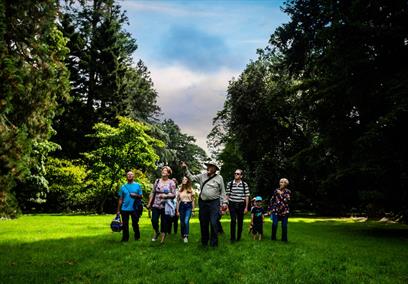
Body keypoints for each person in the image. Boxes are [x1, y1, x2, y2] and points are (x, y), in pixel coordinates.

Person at [181, 161, 227, 247]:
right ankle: (204, 242)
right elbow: (191, 177)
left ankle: (214, 244)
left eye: (211, 166)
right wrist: (185, 169)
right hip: (203, 203)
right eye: (208, 166)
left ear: (215, 169)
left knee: (214, 222)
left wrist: (224, 203)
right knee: (203, 223)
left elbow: (223, 191)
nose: (208, 167)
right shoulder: (202, 176)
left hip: (214, 203)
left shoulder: (219, 178)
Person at [147, 166, 176, 243]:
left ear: (169, 173)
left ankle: (162, 238)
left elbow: (174, 195)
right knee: (154, 220)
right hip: (156, 204)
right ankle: (157, 232)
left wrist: (166, 196)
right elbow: (153, 192)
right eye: (163, 170)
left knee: (164, 222)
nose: (163, 171)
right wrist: (149, 203)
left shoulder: (171, 182)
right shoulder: (157, 181)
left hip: (165, 205)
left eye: (165, 170)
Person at [116, 171, 143, 242]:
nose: (129, 176)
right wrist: (118, 210)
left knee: (135, 224)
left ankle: (137, 237)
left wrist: (136, 195)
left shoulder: (138, 185)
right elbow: (120, 199)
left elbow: (141, 196)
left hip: (134, 208)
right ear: (126, 177)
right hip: (124, 208)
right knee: (125, 224)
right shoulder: (123, 187)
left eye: (131, 174)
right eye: (128, 174)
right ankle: (125, 238)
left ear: (133, 176)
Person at [226, 169, 250, 242]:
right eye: (235, 173)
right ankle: (232, 238)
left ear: (241, 176)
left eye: (238, 174)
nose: (236, 174)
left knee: (240, 221)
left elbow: (247, 196)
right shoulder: (230, 184)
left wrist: (246, 207)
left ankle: (238, 237)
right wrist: (226, 206)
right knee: (233, 220)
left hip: (241, 205)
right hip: (232, 204)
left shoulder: (244, 184)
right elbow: (227, 195)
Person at [176, 176, 195, 243]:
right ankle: (182, 235)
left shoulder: (191, 189)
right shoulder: (180, 189)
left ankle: (186, 236)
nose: (184, 180)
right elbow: (178, 201)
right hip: (181, 206)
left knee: (186, 221)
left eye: (185, 179)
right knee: (182, 222)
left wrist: (193, 210)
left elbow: (193, 200)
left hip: (188, 206)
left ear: (188, 181)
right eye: (183, 179)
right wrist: (177, 210)